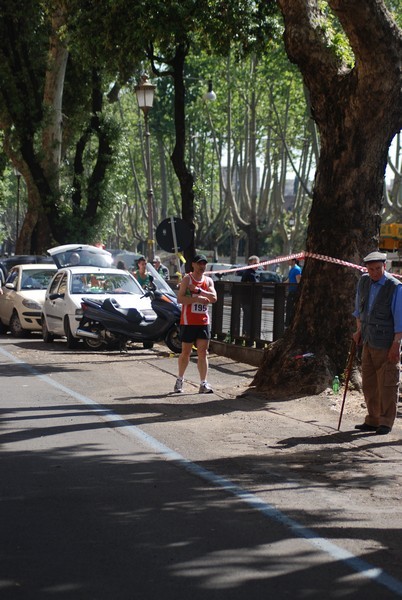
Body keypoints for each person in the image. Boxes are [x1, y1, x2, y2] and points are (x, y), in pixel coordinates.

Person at [352, 251, 402, 435]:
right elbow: (359, 310)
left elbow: (400, 319)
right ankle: (372, 419)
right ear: (366, 268)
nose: (374, 272)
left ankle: (386, 422)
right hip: (367, 340)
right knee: (370, 382)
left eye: (378, 269)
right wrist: (358, 330)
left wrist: (396, 344)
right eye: (371, 269)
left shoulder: (395, 287)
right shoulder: (363, 282)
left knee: (387, 383)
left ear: (385, 266)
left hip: (387, 343)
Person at [174, 254, 217, 394]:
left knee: (203, 352)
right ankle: (180, 379)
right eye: (199, 263)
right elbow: (180, 299)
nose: (202, 266)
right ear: (193, 264)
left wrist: (199, 291)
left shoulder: (208, 281)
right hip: (188, 321)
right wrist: (197, 299)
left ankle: (203, 383)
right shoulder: (187, 279)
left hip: (203, 322)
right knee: (185, 352)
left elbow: (214, 298)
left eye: (204, 264)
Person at [241, 255, 260, 344]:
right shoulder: (249, 274)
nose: (257, 265)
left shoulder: (251, 273)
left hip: (248, 301)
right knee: (248, 319)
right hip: (248, 301)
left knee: (248, 319)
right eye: (255, 263)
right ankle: (248, 338)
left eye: (258, 263)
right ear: (249, 263)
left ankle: (247, 337)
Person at [285, 258, 302, 326]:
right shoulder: (292, 269)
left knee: (291, 309)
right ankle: (287, 323)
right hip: (291, 292)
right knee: (288, 308)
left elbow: (298, 281)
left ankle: (289, 324)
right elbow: (289, 280)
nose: (288, 261)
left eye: (289, 260)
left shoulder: (297, 269)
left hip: (294, 293)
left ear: (294, 261)